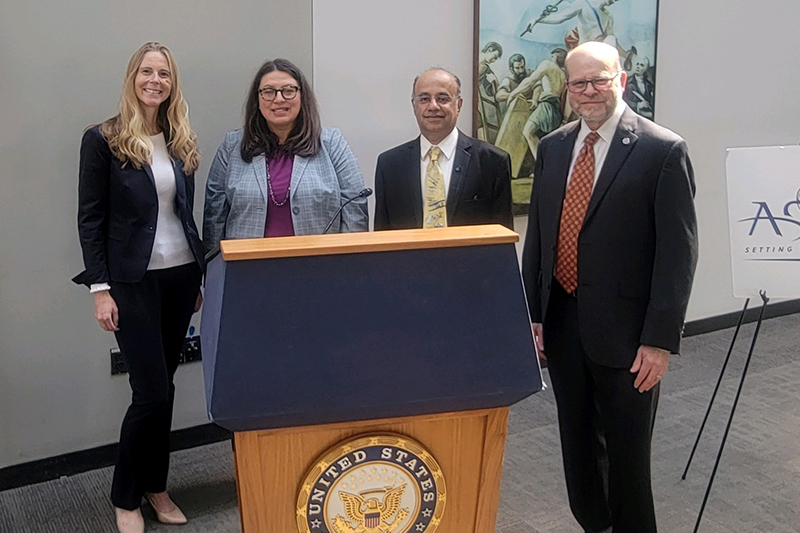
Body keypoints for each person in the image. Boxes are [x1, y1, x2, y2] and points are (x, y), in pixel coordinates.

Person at [521, 42, 697, 533]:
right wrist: (533, 314)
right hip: (562, 325)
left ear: (621, 80)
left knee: (626, 458)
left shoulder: (662, 150)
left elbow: (678, 256)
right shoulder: (555, 147)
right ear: (567, 90)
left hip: (628, 337)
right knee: (577, 447)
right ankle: (593, 525)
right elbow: (540, 236)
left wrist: (660, 340)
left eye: (599, 79)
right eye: (579, 83)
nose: (589, 91)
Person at [73, 42, 205, 533]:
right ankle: (126, 495)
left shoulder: (180, 137)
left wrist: (199, 277)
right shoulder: (102, 139)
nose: (156, 80)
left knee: (164, 389)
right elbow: (91, 220)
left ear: (173, 83)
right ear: (133, 77)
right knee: (149, 392)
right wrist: (99, 289)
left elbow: (182, 216)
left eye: (164, 73)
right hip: (130, 281)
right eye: (147, 71)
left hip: (180, 277)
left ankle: (157, 485)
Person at [203, 58, 368, 252]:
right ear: (257, 99)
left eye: (288, 90)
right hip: (248, 271)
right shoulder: (232, 147)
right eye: (268, 92)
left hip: (321, 269)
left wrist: (349, 264)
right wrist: (214, 269)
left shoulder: (332, 143)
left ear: (301, 96)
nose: (279, 99)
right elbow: (214, 217)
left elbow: (355, 209)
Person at [374, 68, 513, 230]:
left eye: (442, 98)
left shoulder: (492, 162)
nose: (433, 106)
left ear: (458, 105)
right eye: (424, 99)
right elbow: (382, 239)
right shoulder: (390, 165)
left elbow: (502, 240)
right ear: (414, 106)